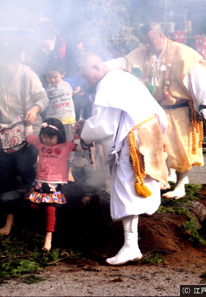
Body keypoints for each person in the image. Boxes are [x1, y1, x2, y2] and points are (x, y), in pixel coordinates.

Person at [76, 53, 168, 265]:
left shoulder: (107, 83)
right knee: (136, 189)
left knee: (127, 190)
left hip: (132, 142)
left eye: (86, 75)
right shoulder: (125, 77)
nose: (86, 81)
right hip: (148, 133)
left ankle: (131, 246)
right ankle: (131, 244)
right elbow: (159, 112)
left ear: (97, 67)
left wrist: (84, 131)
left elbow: (104, 125)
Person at [107, 22, 206, 199]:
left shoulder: (183, 53)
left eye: (150, 40)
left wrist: (204, 104)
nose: (147, 45)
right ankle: (167, 178)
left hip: (179, 109)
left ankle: (181, 185)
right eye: (144, 41)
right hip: (154, 109)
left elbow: (198, 82)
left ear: (161, 35)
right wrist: (100, 66)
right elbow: (123, 62)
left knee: (180, 148)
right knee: (158, 148)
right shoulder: (143, 52)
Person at [0, 43, 49, 236]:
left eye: (4, 65)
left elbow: (43, 98)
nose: (1, 69)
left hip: (28, 128)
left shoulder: (28, 76)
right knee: (6, 174)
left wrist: (34, 109)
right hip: (6, 132)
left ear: (15, 61)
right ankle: (10, 219)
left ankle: (34, 203)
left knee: (25, 167)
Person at [26, 118, 79, 250]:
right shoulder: (40, 144)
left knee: (50, 208)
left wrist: (77, 132)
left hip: (55, 183)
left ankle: (48, 237)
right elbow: (29, 138)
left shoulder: (65, 145)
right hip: (40, 181)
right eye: (44, 136)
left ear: (59, 135)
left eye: (51, 137)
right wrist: (29, 125)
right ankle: (51, 220)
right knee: (33, 206)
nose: (47, 140)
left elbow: (79, 146)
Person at [43, 59, 76, 182]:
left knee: (69, 146)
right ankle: (54, 170)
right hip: (53, 122)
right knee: (53, 146)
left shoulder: (69, 83)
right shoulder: (45, 90)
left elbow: (82, 83)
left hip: (68, 121)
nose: (52, 79)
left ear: (63, 74)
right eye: (49, 77)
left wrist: (79, 89)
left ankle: (68, 171)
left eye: (55, 77)